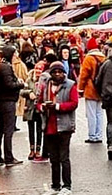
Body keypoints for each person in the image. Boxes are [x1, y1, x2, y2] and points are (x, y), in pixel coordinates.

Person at [38, 61, 79, 195]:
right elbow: (37, 103)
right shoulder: (46, 85)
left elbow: (74, 103)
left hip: (64, 126)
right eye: (54, 72)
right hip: (49, 126)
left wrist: (57, 106)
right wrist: (43, 107)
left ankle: (67, 186)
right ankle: (55, 185)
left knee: (64, 157)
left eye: (59, 72)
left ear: (63, 73)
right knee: (53, 158)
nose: (57, 74)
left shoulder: (70, 85)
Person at [0, 45, 25, 167]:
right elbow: (9, 85)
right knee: (8, 130)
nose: (16, 55)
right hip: (8, 101)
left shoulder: (1, 66)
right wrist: (20, 84)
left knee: (0, 129)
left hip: (2, 101)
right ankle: (8, 157)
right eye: (14, 53)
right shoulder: (5, 67)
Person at [78, 37, 106, 144]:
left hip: (91, 89)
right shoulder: (104, 58)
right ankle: (99, 135)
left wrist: (80, 89)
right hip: (101, 89)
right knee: (99, 113)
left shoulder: (88, 59)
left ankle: (92, 135)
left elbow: (84, 75)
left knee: (91, 114)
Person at [20, 64, 46, 162]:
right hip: (30, 108)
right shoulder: (29, 80)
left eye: (40, 69)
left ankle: (38, 150)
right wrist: (29, 93)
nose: (38, 71)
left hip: (39, 109)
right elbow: (22, 92)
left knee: (39, 130)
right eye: (37, 69)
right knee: (31, 130)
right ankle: (31, 150)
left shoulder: (44, 80)